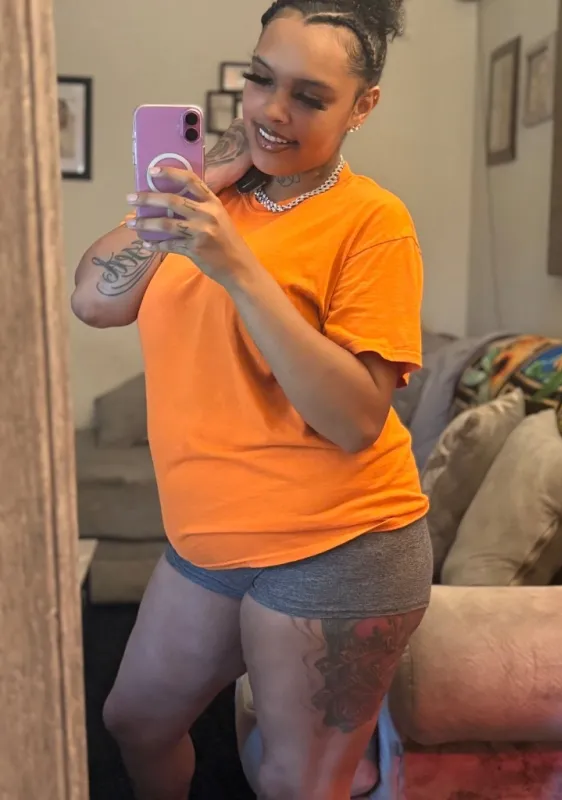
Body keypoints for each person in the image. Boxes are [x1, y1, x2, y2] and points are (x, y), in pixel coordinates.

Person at [71, 0, 433, 797]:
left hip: (338, 545)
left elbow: (354, 420)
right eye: (261, 79)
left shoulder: (373, 222)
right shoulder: (210, 199)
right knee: (136, 721)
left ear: (362, 106)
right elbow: (93, 301)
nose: (272, 110)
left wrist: (236, 266)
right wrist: (197, 189)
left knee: (294, 782)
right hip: (210, 538)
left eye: (309, 96)